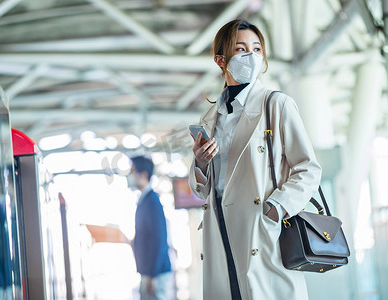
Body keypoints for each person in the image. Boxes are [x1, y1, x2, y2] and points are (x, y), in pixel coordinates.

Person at [188, 19, 322, 300]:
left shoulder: (276, 104)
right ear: (220, 60)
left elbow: (308, 168)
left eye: (257, 48)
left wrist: (275, 209)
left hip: (261, 231)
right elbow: (205, 188)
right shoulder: (210, 118)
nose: (252, 55)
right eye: (241, 49)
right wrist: (200, 163)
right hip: (221, 228)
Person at [127, 155, 172, 300]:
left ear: (144, 174)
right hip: (150, 272)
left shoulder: (152, 201)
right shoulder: (144, 200)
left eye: (133, 170)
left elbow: (159, 240)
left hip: (156, 273)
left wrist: (152, 275)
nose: (130, 175)